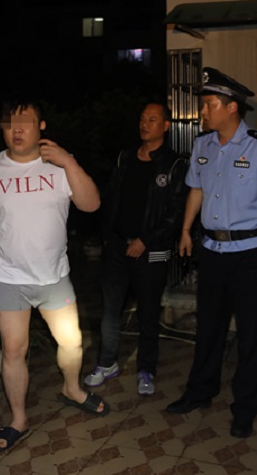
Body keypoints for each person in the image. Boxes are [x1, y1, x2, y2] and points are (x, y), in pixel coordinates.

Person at [0, 99, 109, 453]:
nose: (16, 130)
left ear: (41, 126)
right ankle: (18, 418)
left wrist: (69, 162)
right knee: (13, 350)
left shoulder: (59, 165)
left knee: (71, 342)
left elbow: (91, 204)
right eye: (9, 123)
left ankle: (72, 389)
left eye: (25, 122)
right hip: (8, 278)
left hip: (54, 277)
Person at [165, 67, 257, 440]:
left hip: (252, 255)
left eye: (209, 104)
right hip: (212, 251)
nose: (203, 111)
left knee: (250, 334)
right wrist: (186, 230)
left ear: (231, 107)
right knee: (209, 327)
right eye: (204, 105)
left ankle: (246, 407)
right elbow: (196, 190)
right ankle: (200, 391)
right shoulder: (203, 146)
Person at [84, 102, 187, 396]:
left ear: (165, 126)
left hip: (151, 250)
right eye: (142, 119)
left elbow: (175, 212)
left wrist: (146, 240)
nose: (145, 124)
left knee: (148, 313)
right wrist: (108, 237)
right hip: (118, 246)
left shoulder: (174, 164)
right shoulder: (125, 158)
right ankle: (107, 363)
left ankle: (146, 370)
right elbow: (112, 199)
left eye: (152, 120)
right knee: (110, 310)